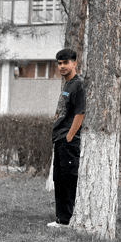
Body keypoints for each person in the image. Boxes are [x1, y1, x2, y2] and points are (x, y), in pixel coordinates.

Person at [47, 49, 85, 228]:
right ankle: (61, 220)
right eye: (59, 63)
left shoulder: (78, 84)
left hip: (69, 141)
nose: (62, 66)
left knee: (69, 180)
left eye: (66, 63)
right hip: (60, 139)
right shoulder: (67, 84)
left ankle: (68, 220)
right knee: (59, 180)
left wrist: (70, 137)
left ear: (74, 63)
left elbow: (80, 113)